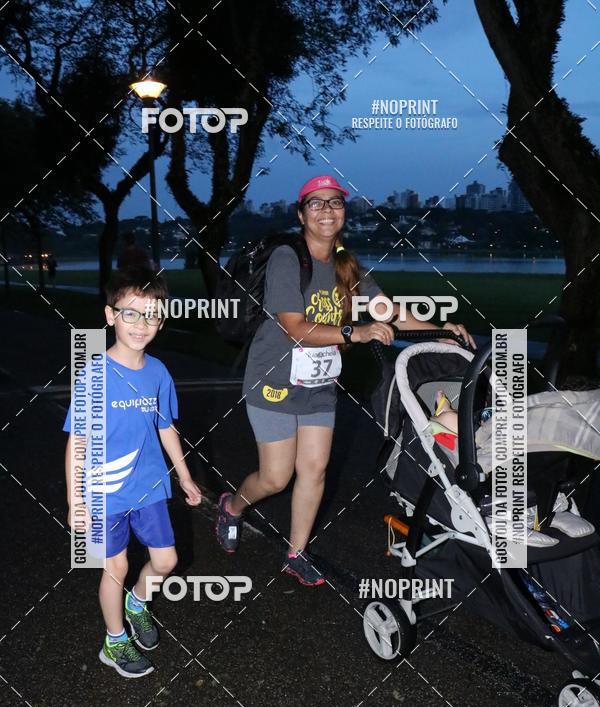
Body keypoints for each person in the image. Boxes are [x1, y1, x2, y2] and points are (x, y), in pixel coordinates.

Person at [215, 174, 476, 585]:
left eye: (335, 203)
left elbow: (388, 312)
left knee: (315, 471)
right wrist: (356, 332)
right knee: (275, 477)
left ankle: (296, 554)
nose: (326, 210)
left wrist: (440, 329)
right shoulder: (288, 257)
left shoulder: (346, 265)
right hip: (273, 382)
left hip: (319, 387)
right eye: (316, 203)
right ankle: (232, 506)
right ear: (301, 214)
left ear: (344, 213)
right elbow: (294, 327)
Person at [64, 267, 202, 678]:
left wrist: (185, 475)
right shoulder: (93, 375)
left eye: (152, 314)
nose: (142, 324)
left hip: (149, 487)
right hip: (104, 492)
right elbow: (78, 443)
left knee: (166, 561)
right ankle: (114, 639)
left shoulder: (158, 372)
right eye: (131, 313)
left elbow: (165, 427)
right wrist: (76, 501)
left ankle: (137, 603)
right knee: (116, 568)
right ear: (110, 316)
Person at [428, 388, 600, 543]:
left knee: (545, 420)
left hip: (521, 467)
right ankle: (447, 414)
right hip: (489, 466)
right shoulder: (463, 442)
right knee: (546, 420)